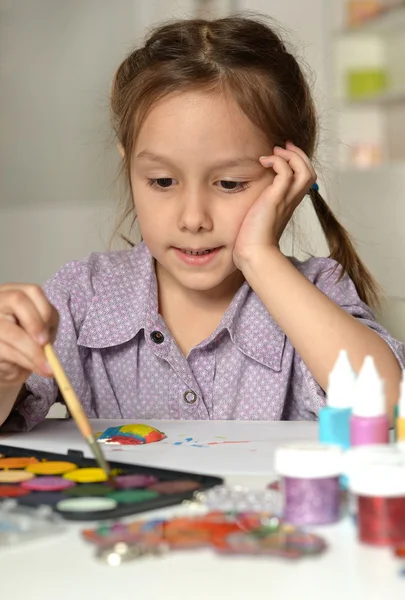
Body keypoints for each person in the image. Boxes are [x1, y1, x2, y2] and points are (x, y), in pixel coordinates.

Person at [0, 15, 403, 432]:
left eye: (229, 183)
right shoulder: (83, 296)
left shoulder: (316, 289)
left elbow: (387, 407)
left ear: (288, 174)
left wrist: (259, 257)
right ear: (129, 164)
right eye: (162, 181)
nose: (193, 219)